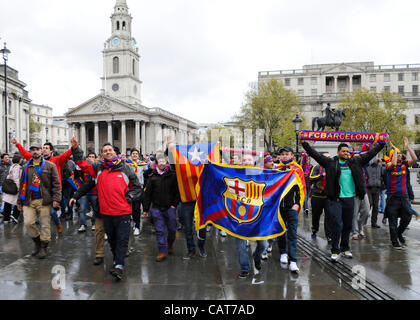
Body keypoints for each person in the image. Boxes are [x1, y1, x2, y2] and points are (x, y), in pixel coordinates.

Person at [301, 138, 385, 262]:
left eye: (348, 151)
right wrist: (304, 144)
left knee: (347, 225)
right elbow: (315, 154)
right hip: (336, 199)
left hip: (350, 199)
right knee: (337, 224)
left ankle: (345, 248)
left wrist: (382, 144)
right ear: (338, 152)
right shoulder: (330, 163)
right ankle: (335, 250)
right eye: (344, 151)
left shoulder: (356, 162)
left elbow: (370, 154)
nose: (346, 153)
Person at [71, 141, 142, 279]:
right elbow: (81, 163)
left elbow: (137, 187)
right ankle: (117, 261)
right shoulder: (98, 168)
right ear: (102, 154)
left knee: (122, 240)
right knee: (112, 240)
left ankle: (119, 266)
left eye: (110, 150)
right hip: (106, 213)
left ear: (114, 152)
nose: (108, 152)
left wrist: (129, 197)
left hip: (123, 212)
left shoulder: (126, 168)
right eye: (105, 151)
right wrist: (75, 148)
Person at [13, 139, 73, 234]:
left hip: (52, 191)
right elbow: (25, 153)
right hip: (39, 192)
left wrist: (74, 147)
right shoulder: (35, 159)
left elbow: (66, 155)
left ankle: (58, 225)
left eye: (47, 148)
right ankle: (42, 238)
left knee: (53, 212)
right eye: (43, 148)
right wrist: (17, 144)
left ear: (51, 151)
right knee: (41, 217)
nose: (44, 150)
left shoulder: (56, 160)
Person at [17, 143, 61, 259]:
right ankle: (37, 242)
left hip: (44, 200)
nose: (35, 152)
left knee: (45, 225)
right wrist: (19, 201)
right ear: (30, 152)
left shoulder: (50, 166)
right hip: (28, 200)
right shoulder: (26, 166)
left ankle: (44, 247)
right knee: (28, 223)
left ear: (41, 151)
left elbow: (56, 184)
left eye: (37, 149)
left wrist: (56, 199)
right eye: (32, 150)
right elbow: (22, 184)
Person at [143, 154, 180, 262]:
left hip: (170, 207)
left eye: (164, 161)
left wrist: (174, 205)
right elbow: (147, 194)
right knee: (159, 230)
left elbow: (177, 192)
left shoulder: (173, 175)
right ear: (157, 164)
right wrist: (145, 209)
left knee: (172, 229)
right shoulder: (152, 177)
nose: (162, 163)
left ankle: (170, 243)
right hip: (156, 208)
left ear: (167, 163)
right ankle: (162, 251)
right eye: (160, 161)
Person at [236, 153, 268, 278]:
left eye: (249, 160)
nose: (246, 161)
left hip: (259, 216)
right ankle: (245, 268)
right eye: (244, 160)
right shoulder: (234, 174)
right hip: (239, 216)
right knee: (241, 245)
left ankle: (256, 256)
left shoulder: (261, 175)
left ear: (253, 162)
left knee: (263, 244)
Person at [385, 138, 418, 249]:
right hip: (392, 197)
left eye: (399, 153)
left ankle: (399, 233)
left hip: (404, 197)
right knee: (393, 221)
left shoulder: (404, 165)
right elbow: (393, 163)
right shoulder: (388, 166)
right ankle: (394, 241)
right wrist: (394, 148)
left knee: (407, 218)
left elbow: (415, 158)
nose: (398, 155)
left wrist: (408, 146)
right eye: (396, 153)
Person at [276, 146, 302, 273]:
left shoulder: (297, 169)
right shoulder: (276, 170)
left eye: (287, 154)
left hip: (292, 207)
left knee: (292, 234)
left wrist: (297, 204)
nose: (284, 156)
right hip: (278, 207)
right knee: (280, 231)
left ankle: (293, 261)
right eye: (282, 154)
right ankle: (283, 252)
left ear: (292, 155)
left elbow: (301, 189)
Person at [310, 152, 332, 243]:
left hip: (328, 196)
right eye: (326, 157)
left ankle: (329, 235)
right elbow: (311, 177)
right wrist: (321, 175)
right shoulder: (316, 167)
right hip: (317, 195)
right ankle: (314, 229)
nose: (328, 159)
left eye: (329, 158)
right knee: (316, 215)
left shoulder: (332, 167)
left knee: (329, 217)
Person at [125, 148, 147, 236]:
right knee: (131, 208)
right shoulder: (127, 164)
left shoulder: (143, 164)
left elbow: (148, 173)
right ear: (131, 155)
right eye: (133, 153)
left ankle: (137, 226)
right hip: (129, 188)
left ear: (138, 155)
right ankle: (134, 222)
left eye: (136, 154)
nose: (134, 155)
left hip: (139, 188)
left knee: (137, 208)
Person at [351, 153, 370, 240]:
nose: (357, 159)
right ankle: (355, 231)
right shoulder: (351, 167)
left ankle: (360, 226)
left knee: (366, 211)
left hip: (364, 192)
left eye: (359, 157)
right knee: (354, 214)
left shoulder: (364, 167)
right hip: (354, 192)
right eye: (355, 157)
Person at [2, 154, 23, 223]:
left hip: (9, 186)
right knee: (17, 202)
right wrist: (18, 187)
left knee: (7, 203)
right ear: (19, 160)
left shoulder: (12, 166)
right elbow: (16, 178)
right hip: (14, 187)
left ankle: (6, 218)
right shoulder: (18, 167)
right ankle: (14, 216)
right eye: (21, 159)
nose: (22, 160)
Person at [366, 157, 385, 228]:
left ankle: (374, 222)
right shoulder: (367, 167)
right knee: (369, 204)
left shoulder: (380, 167)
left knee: (376, 206)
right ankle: (364, 220)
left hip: (377, 188)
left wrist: (381, 181)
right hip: (368, 188)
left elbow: (384, 175)